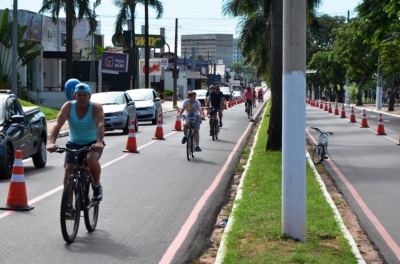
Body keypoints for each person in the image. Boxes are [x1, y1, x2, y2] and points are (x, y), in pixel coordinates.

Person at [47, 83, 105, 201]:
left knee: (91, 159)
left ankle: (97, 186)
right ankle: (68, 206)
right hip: (74, 144)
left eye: (85, 95)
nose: (82, 97)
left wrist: (99, 142)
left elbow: (100, 125)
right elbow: (57, 126)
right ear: (75, 96)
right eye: (79, 95)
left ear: (89, 96)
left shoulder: (96, 107)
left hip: (92, 143)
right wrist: (51, 142)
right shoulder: (68, 107)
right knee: (69, 170)